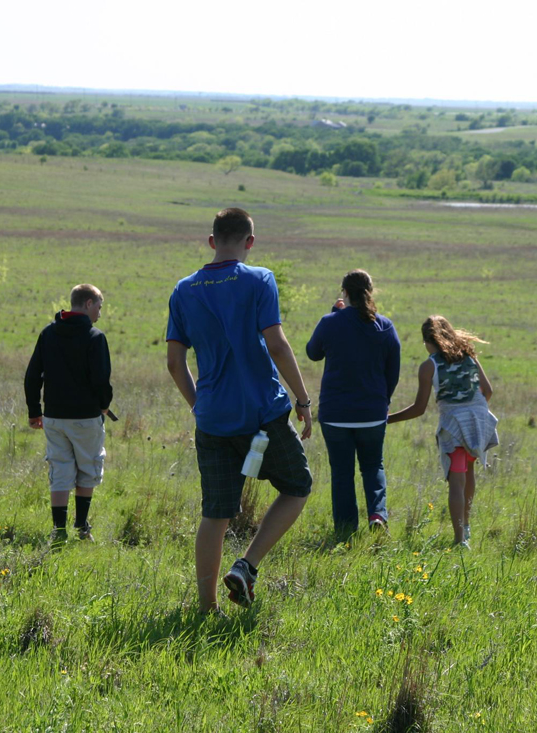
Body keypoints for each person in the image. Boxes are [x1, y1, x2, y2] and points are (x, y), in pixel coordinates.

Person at [166, 207, 314, 613]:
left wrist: (200, 406)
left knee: (215, 513)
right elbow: (278, 345)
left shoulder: (183, 290)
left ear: (212, 241)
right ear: (250, 242)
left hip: (213, 418)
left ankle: (205, 606)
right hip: (262, 413)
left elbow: (175, 364)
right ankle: (246, 566)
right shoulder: (260, 279)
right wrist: (302, 400)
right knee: (297, 485)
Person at [387, 315, 497, 547]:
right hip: (477, 425)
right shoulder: (470, 358)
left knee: (456, 482)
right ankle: (466, 527)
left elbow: (419, 409)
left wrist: (387, 420)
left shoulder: (430, 366)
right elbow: (488, 391)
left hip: (453, 428)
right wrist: (474, 410)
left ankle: (459, 541)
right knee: (469, 474)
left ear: (429, 340)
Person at [306, 269, 400, 535]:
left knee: (342, 473)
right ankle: (378, 515)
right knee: (373, 466)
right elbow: (392, 371)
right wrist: (384, 400)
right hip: (372, 412)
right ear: (370, 292)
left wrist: (334, 315)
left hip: (335, 414)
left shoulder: (330, 321)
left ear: (344, 293)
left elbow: (313, 353)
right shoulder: (384, 325)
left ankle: (346, 529)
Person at [24, 283, 113, 547]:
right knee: (88, 468)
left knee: (60, 470)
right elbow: (101, 380)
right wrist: (104, 405)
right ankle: (82, 527)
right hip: (86, 418)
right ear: (87, 304)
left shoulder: (48, 334)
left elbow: (32, 376)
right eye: (99, 306)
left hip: (53, 417)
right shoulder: (95, 337)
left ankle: (58, 530)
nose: (100, 312)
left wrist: (34, 411)